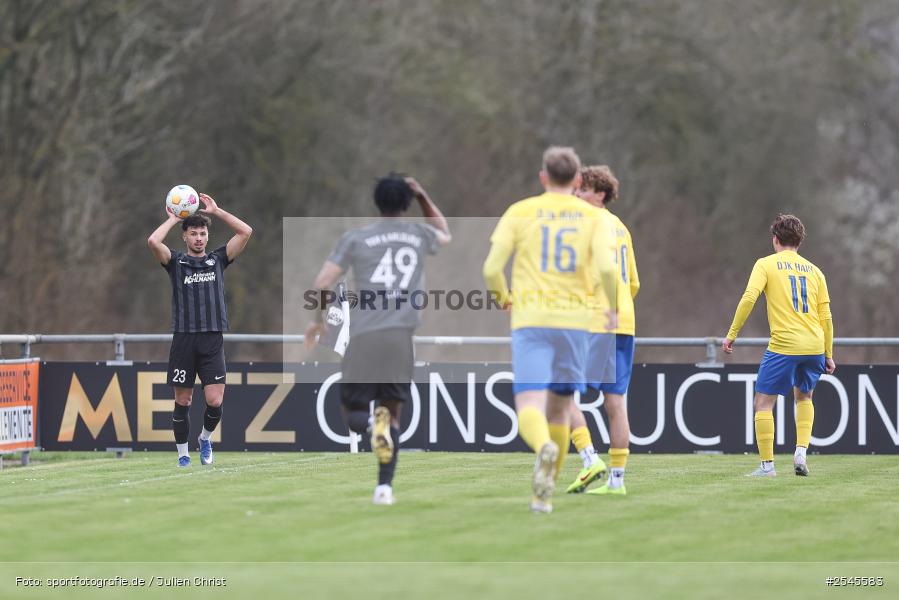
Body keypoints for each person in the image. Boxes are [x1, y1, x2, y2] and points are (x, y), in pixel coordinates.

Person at [482, 147, 617, 514]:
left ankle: (542, 446)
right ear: (577, 180)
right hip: (574, 323)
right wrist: (612, 308)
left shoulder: (520, 211)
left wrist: (503, 297)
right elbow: (607, 268)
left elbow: (491, 269)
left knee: (529, 405)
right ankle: (543, 496)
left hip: (531, 320)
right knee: (560, 410)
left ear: (543, 177)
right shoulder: (592, 218)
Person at [305, 174, 451, 506]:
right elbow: (445, 233)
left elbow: (323, 282)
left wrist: (317, 322)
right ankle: (384, 489)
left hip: (364, 336)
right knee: (392, 415)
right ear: (406, 203)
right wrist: (423, 196)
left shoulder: (356, 239)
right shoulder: (418, 235)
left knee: (353, 413)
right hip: (401, 338)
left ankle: (372, 425)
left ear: (376, 202)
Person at [723, 214, 835, 477]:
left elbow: (749, 297)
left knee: (763, 403)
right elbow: (826, 317)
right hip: (814, 345)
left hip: (785, 344)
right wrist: (828, 353)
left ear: (775, 239)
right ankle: (801, 452)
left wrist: (732, 334)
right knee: (804, 397)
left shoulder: (765, 264)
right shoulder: (815, 271)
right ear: (800, 241)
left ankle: (767, 466)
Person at [147, 193, 252, 467]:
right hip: (184, 339)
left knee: (215, 401)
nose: (198, 238)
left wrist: (217, 211)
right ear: (185, 237)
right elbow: (153, 242)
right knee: (183, 400)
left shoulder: (217, 260)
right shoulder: (175, 262)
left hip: (212, 339)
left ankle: (205, 439)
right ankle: (183, 455)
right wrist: (173, 219)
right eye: (193, 233)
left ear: (207, 236)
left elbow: (246, 231)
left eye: (202, 234)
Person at [562, 165, 639, 496]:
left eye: (583, 189)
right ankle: (616, 481)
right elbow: (633, 282)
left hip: (596, 319)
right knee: (615, 401)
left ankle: (589, 458)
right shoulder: (621, 228)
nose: (577, 194)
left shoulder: (586, 223)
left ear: (600, 194)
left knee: (560, 390)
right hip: (624, 321)